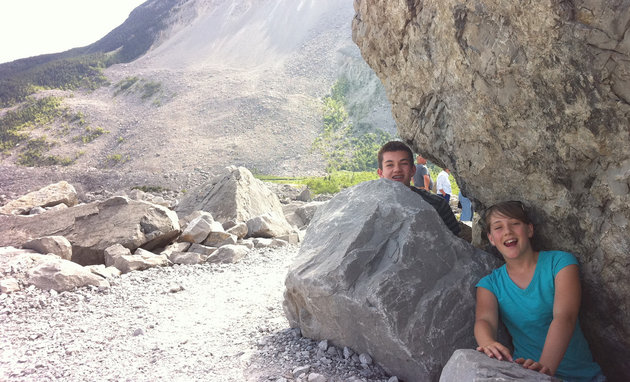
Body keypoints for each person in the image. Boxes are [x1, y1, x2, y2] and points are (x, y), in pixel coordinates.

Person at [474, 201, 604, 382]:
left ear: (529, 230)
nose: (507, 231)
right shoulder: (490, 284)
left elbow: (565, 317)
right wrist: (487, 342)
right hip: (526, 373)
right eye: (498, 227)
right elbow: (484, 320)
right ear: (491, 239)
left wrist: (544, 369)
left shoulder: (560, 263)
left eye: (515, 223)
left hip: (581, 376)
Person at [376, 141, 460, 236]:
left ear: (413, 170)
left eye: (403, 163)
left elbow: (455, 243)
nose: (397, 169)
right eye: (390, 165)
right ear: (380, 173)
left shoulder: (437, 205)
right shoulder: (372, 208)